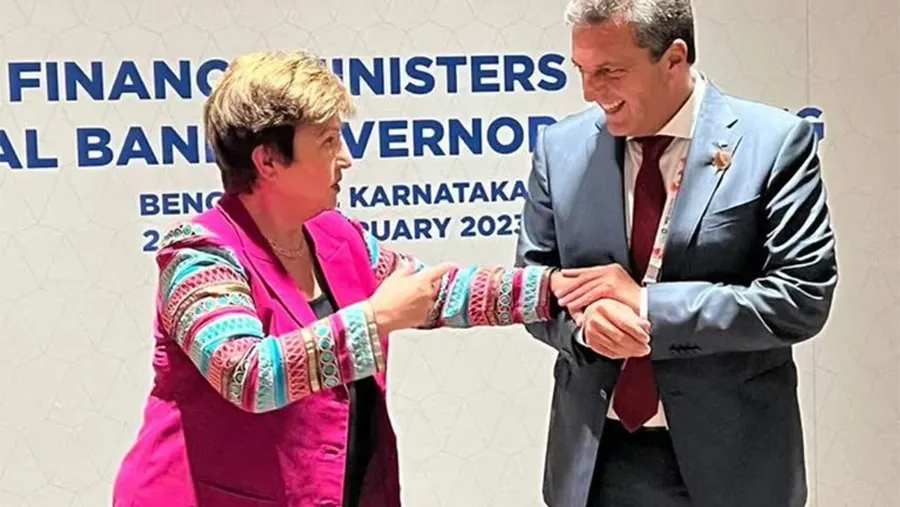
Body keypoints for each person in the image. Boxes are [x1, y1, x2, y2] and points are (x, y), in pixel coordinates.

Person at [112, 50, 572, 507]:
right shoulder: (199, 254)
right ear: (268, 161)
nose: (346, 159)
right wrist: (374, 320)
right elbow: (247, 374)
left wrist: (558, 289)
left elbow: (436, 293)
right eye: (328, 142)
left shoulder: (335, 235)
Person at [515, 1, 838, 507]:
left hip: (736, 466)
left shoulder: (774, 143)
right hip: (596, 465)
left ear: (674, 59)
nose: (590, 92)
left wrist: (647, 310)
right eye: (581, 70)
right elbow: (532, 286)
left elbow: (801, 298)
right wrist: (584, 326)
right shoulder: (559, 150)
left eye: (609, 72)